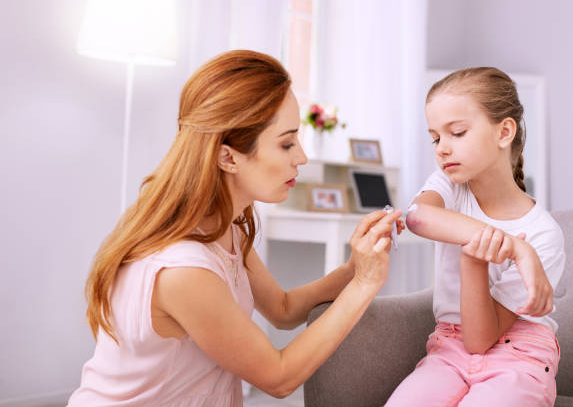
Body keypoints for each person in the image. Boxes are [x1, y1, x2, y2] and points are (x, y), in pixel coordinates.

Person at [68, 50, 403, 406]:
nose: (301, 157)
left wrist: (354, 268)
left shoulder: (226, 232)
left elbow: (284, 309)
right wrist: (365, 284)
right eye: (287, 143)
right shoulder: (182, 270)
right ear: (228, 157)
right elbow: (279, 376)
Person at [386, 67, 565, 406]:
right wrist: (514, 247)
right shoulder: (450, 186)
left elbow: (480, 339)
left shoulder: (544, 235)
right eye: (436, 138)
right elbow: (417, 217)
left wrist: (474, 257)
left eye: (457, 132)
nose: (442, 149)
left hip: (519, 355)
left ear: (504, 132)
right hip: (448, 351)